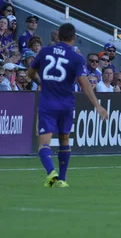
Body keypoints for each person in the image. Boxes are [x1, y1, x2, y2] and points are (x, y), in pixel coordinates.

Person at [28, 23, 108, 188]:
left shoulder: (45, 51)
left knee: (44, 142)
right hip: (66, 104)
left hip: (47, 102)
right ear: (73, 37)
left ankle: (51, 174)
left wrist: (41, 82)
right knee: (64, 139)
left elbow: (30, 72)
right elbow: (84, 83)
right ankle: (62, 179)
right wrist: (97, 105)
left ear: (58, 36)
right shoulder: (76, 57)